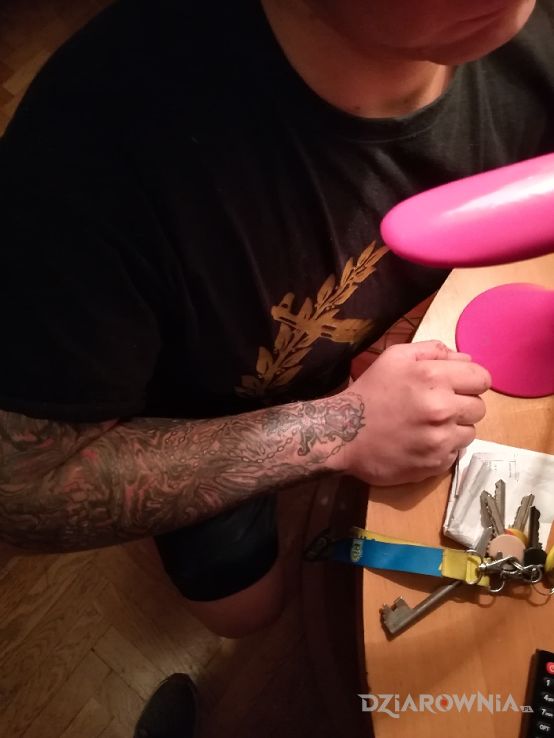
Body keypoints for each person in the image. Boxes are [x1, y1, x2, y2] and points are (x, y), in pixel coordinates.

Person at [1, 0, 552, 648]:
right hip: (201, 415)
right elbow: (21, 489)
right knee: (246, 613)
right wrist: (338, 429)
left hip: (372, 361)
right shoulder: (90, 155)